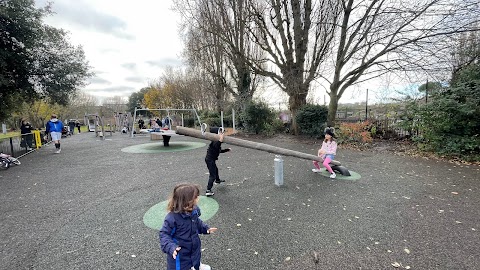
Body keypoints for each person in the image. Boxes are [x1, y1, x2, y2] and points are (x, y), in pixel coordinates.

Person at [159, 183, 216, 270]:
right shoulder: (172, 218)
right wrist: (171, 247)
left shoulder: (194, 210)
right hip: (180, 253)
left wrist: (205, 229)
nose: (198, 199)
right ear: (186, 201)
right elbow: (164, 234)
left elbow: (196, 222)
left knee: (195, 257)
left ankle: (197, 265)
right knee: (183, 266)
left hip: (193, 246)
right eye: (195, 197)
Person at [205, 128, 231, 196]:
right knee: (212, 175)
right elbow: (218, 144)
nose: (222, 134)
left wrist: (227, 150)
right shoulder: (215, 141)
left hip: (211, 160)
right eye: (220, 133)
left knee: (215, 170)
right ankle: (208, 190)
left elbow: (219, 150)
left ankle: (217, 180)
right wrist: (221, 138)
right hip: (210, 160)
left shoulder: (216, 142)